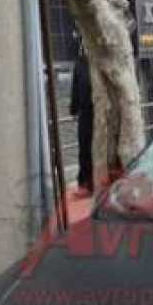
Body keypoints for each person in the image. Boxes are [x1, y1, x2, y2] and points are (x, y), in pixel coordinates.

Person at [69, 42, 95, 197]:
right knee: (84, 148)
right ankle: (84, 182)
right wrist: (73, 108)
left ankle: (99, 182)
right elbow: (75, 87)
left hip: (100, 111)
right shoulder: (79, 64)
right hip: (85, 113)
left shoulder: (100, 62)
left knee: (100, 148)